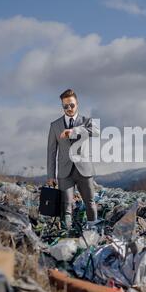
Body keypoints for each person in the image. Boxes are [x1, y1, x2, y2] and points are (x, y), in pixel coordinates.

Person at [46, 89, 99, 230]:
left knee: (90, 202)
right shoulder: (55, 125)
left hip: (84, 170)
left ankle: (92, 231)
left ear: (77, 104)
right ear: (62, 106)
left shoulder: (86, 121)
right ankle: (66, 233)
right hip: (64, 171)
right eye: (65, 106)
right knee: (66, 204)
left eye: (72, 105)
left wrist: (74, 131)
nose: (69, 109)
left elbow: (96, 131)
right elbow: (51, 151)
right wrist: (51, 175)